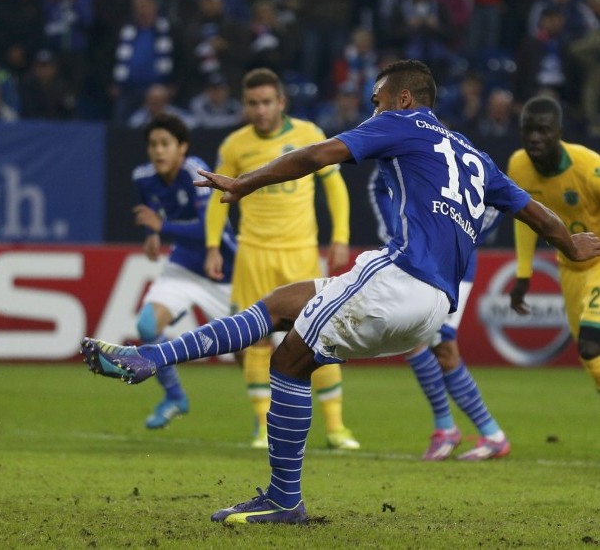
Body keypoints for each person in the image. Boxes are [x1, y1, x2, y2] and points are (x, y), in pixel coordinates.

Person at [80, 60, 600, 524]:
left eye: (376, 101)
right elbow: (535, 213)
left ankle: (282, 496)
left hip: (400, 278)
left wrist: (245, 183)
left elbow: (318, 155)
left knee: (288, 361)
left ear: (402, 99)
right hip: (435, 304)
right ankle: (152, 357)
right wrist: (570, 245)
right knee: (283, 306)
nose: (372, 111)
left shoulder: (400, 124)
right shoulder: (475, 156)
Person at [203, 67, 358, 450]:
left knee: (319, 338)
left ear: (281, 103)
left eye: (267, 102)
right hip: (253, 253)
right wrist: (211, 246)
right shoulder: (235, 145)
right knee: (255, 344)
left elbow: (334, 186)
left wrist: (340, 236)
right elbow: (217, 198)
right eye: (253, 103)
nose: (260, 110)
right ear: (245, 105)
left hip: (300, 252)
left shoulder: (308, 135)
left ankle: (336, 427)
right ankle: (261, 426)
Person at [369, 166, 509, 461]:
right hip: (415, 258)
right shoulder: (400, 151)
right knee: (412, 336)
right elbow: (377, 185)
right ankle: (450, 428)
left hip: (453, 260)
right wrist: (393, 230)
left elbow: (496, 199)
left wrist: (461, 236)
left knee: (442, 345)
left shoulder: (457, 156)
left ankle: (489, 433)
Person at [130, 112, 237, 428]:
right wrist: (151, 236)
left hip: (225, 270)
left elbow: (209, 230)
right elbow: (149, 213)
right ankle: (175, 396)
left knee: (250, 352)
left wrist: (160, 227)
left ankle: (264, 419)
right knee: (148, 325)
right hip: (185, 266)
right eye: (153, 145)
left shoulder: (197, 172)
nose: (158, 151)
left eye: (166, 144)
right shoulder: (142, 177)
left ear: (182, 148)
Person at [509, 95, 600, 396]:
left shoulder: (589, 167)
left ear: (559, 131)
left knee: (591, 345)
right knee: (591, 362)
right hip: (570, 269)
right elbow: (526, 220)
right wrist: (523, 274)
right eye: (529, 130)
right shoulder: (519, 165)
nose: (535, 138)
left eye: (543, 130)